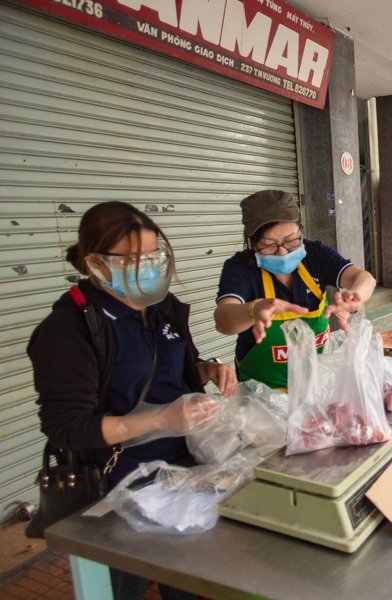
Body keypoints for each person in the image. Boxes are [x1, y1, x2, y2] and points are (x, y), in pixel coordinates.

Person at [28, 201, 236, 600]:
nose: (151, 267)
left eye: (156, 255)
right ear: (96, 263)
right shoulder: (69, 330)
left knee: (189, 578)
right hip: (117, 484)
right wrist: (160, 419)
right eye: (135, 259)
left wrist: (207, 369)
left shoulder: (163, 307)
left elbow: (177, 367)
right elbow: (66, 427)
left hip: (185, 469)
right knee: (124, 584)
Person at [214, 189, 376, 390]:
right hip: (262, 396)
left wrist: (355, 297)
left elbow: (363, 278)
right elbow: (223, 320)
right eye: (269, 245)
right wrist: (253, 310)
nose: (283, 252)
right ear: (252, 242)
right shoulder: (240, 268)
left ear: (300, 230)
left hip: (316, 386)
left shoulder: (314, 254)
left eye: (291, 241)